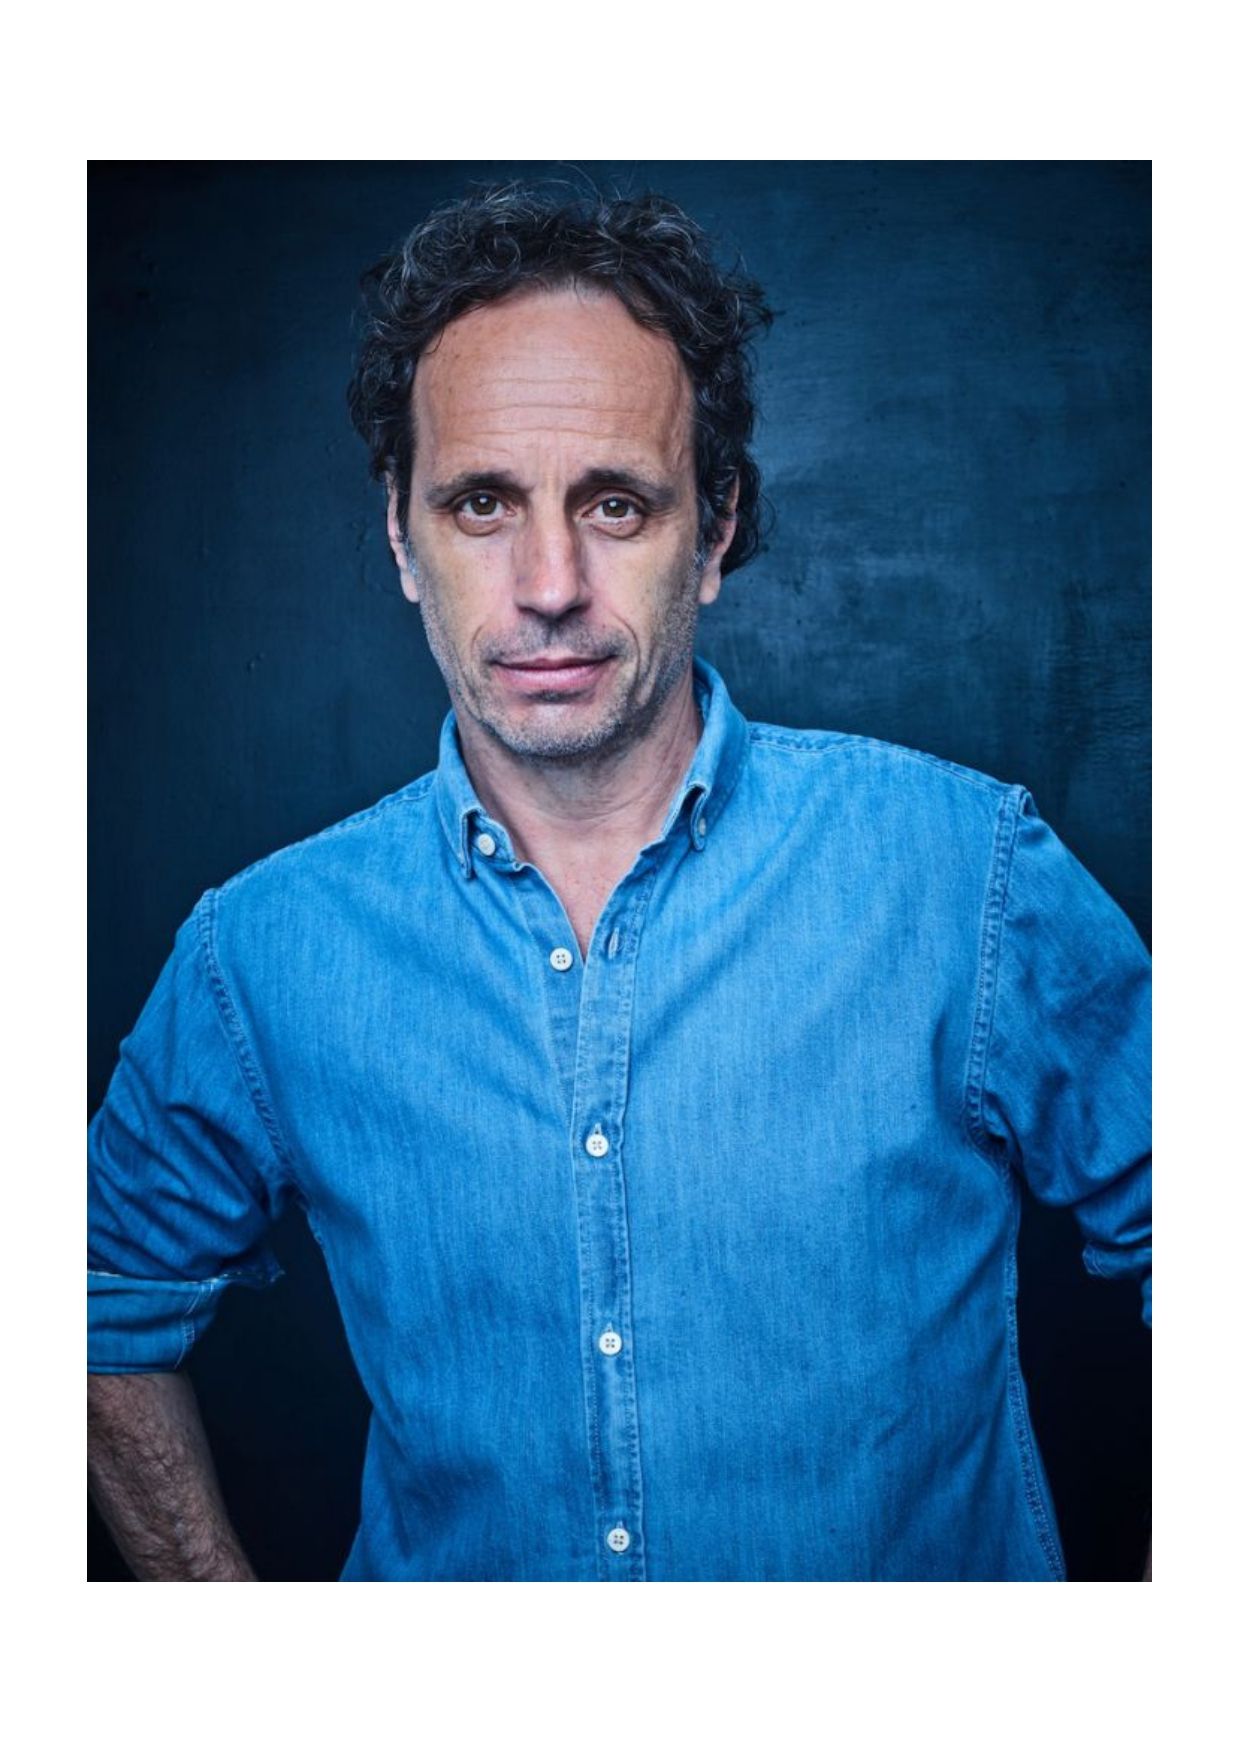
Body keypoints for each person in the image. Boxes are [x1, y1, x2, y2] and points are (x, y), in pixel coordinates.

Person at [87, 184, 1151, 1583]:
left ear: (713, 531)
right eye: (481, 503)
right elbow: (94, 1299)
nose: (548, 584)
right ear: (401, 537)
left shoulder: (970, 877)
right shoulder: (263, 952)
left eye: (616, 503)